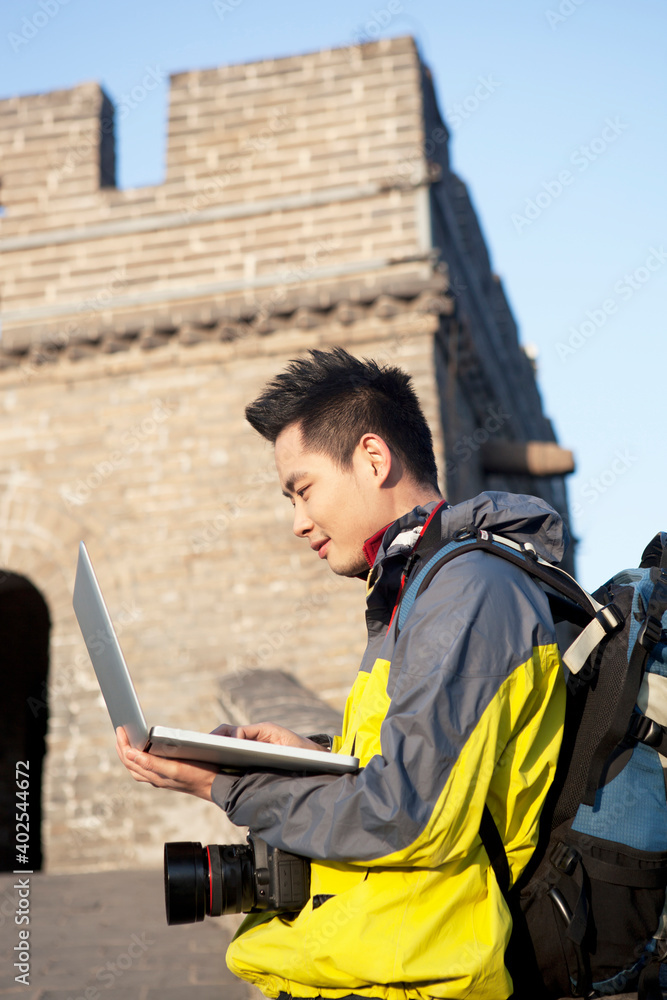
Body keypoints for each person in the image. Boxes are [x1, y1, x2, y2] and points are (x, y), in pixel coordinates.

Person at [117, 346, 567, 1000]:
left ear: (373, 458)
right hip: (376, 964)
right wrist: (311, 756)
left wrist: (230, 788)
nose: (298, 522)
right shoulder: (416, 590)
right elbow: (417, 768)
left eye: (302, 490)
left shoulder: (468, 592)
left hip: (421, 978)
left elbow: (407, 817)